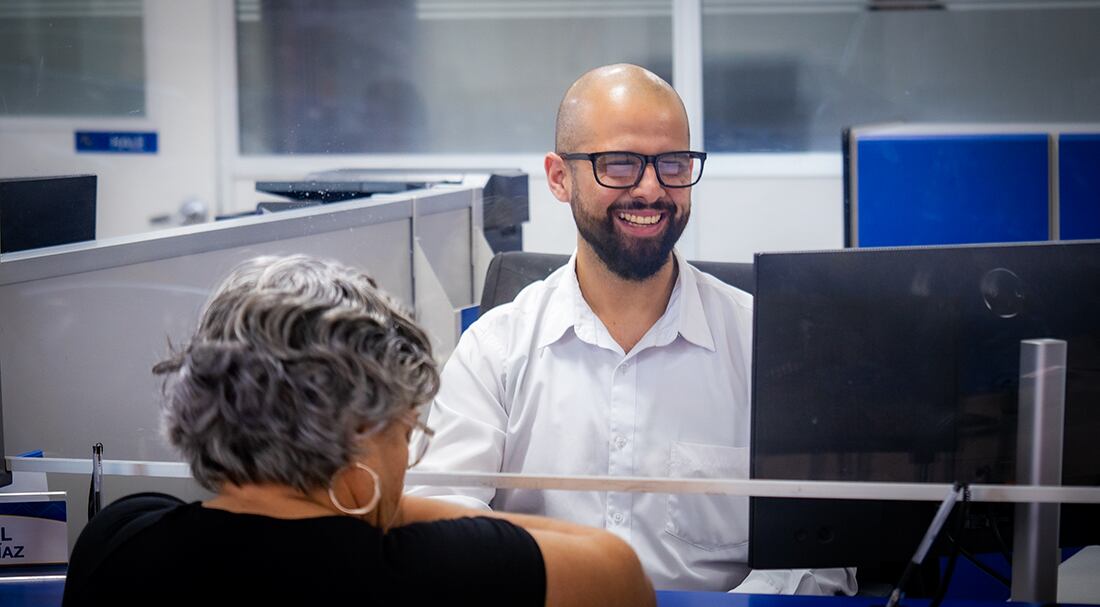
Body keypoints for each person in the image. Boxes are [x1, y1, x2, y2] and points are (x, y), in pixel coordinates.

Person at [408, 64, 857, 594]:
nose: (651, 189)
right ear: (559, 177)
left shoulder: (765, 345)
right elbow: (443, 519)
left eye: (672, 163)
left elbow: (822, 553)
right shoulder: (495, 350)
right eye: (618, 164)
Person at [63, 255, 655, 607]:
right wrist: (374, 501)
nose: (406, 452)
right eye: (406, 431)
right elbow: (619, 573)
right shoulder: (434, 572)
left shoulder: (119, 540)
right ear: (363, 427)